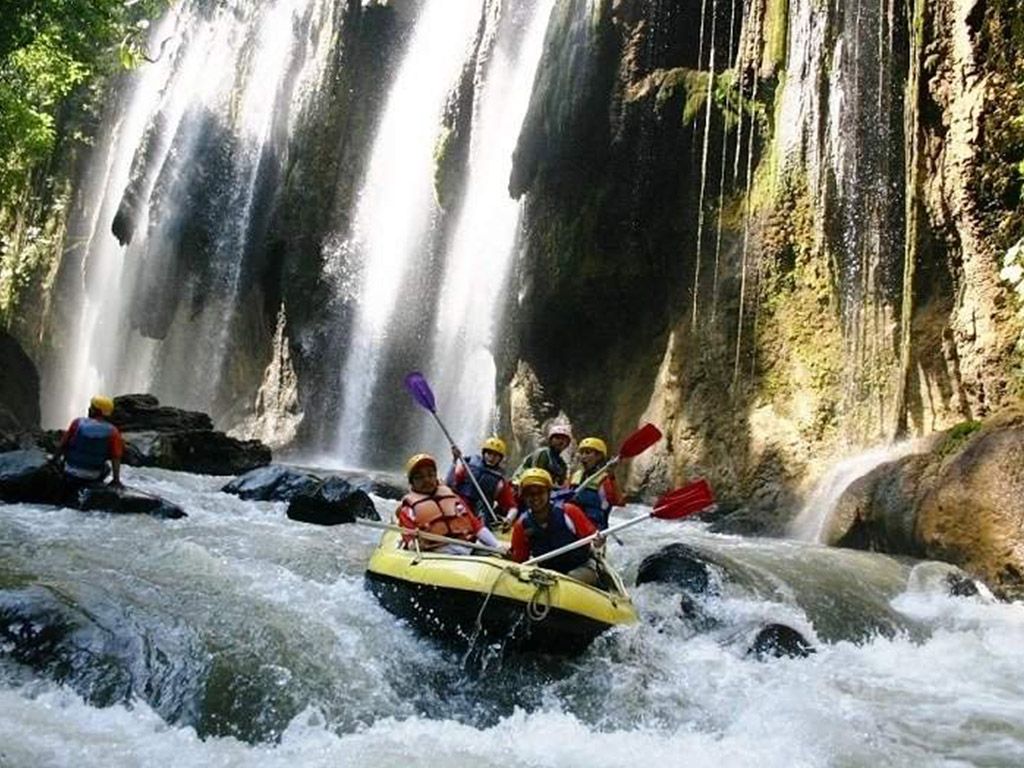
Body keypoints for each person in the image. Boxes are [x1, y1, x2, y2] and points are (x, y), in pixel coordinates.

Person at [509, 467, 603, 585]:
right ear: (523, 497)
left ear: (549, 493)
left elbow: (594, 539)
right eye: (530, 494)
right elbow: (519, 562)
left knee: (570, 579)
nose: (535, 498)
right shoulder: (522, 525)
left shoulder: (569, 512)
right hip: (548, 574)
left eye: (540, 492)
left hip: (582, 567)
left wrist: (598, 541)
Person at [397, 453, 504, 555]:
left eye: (430, 475)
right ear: (411, 482)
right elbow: (410, 538)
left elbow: (476, 526)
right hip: (436, 552)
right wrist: (414, 545)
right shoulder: (409, 509)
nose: (427, 480)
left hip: (465, 547)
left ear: (436, 476)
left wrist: (496, 546)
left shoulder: (452, 498)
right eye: (420, 477)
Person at [53, 395, 124, 488]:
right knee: (107, 467)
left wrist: (53, 461)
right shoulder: (114, 432)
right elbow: (116, 458)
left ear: (96, 411)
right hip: (94, 476)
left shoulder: (77, 422)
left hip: (69, 471)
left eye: (91, 407)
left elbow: (62, 445)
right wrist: (116, 480)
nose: (89, 409)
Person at [446, 437, 517, 529]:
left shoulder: (500, 481)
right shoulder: (467, 466)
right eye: (489, 453)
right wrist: (455, 460)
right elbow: (450, 484)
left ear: (500, 458)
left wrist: (509, 519)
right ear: (484, 453)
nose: (491, 458)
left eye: (496, 455)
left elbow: (512, 507)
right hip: (460, 507)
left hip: (480, 515)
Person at [569, 437, 624, 529]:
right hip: (573, 525)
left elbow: (618, 501)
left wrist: (612, 477)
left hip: (594, 528)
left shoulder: (604, 479)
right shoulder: (575, 476)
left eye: (588, 453)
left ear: (599, 457)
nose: (583, 456)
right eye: (582, 453)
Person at [513, 423, 572, 488]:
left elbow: (562, 482)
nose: (561, 442)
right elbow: (536, 474)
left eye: (564, 439)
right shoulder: (543, 453)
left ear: (567, 444)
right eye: (557, 438)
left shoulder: (562, 463)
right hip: (521, 484)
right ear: (550, 441)